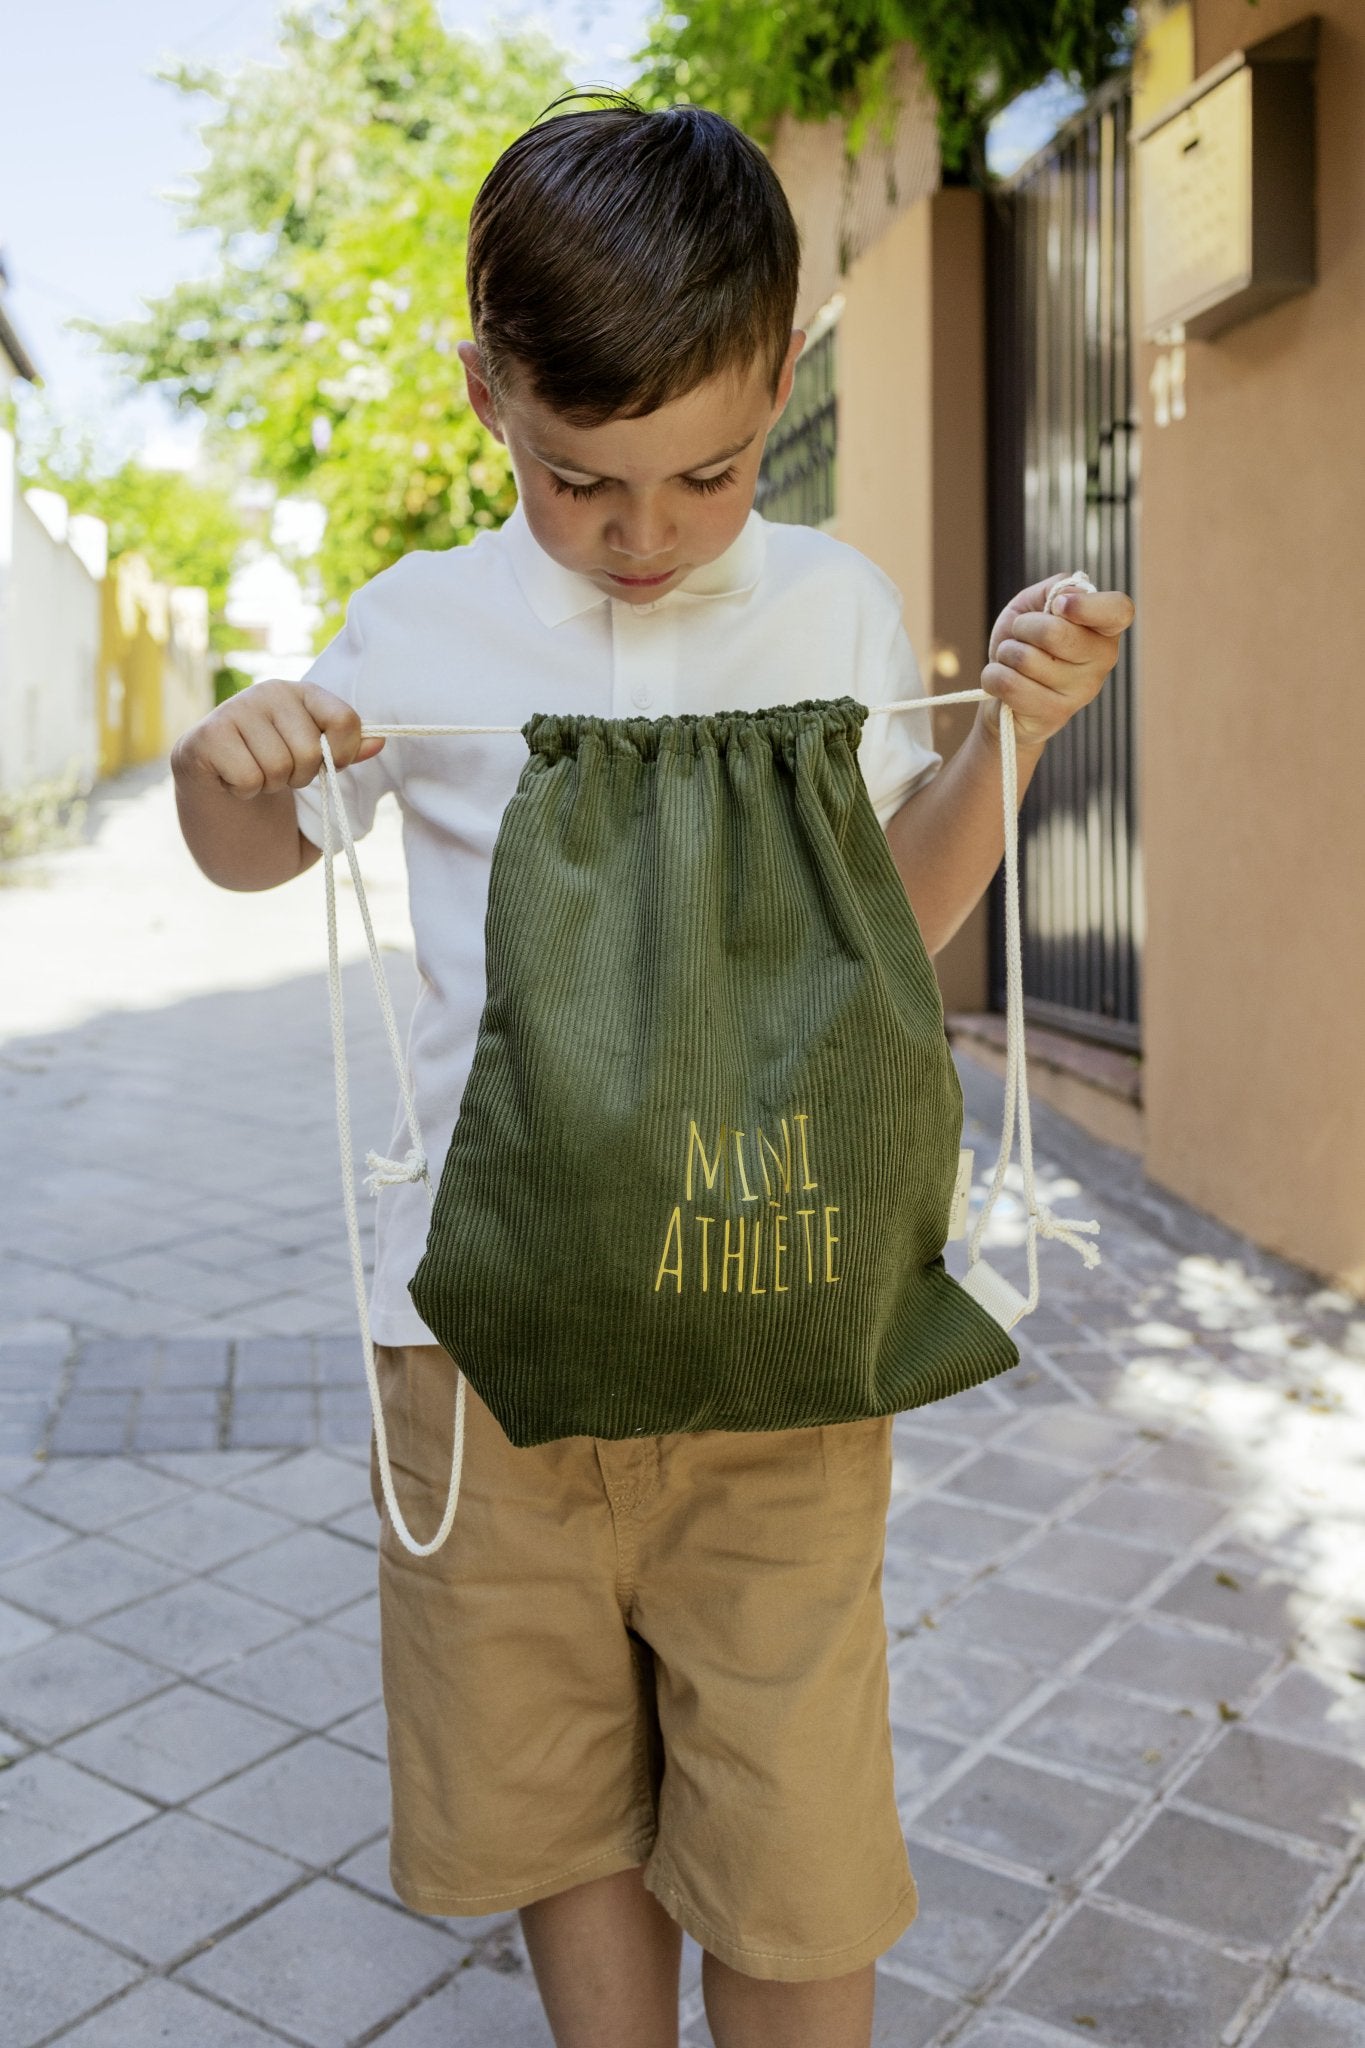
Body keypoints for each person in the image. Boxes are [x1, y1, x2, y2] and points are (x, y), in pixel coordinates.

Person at [171, 95, 1133, 2048]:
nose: (644, 534)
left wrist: (1007, 746)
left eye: (702, 476)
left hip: (775, 1321)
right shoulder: (419, 625)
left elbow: (896, 919)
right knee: (550, 1796)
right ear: (486, 399)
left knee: (790, 1825)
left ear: (778, 380)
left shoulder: (830, 608)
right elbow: (261, 858)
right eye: (577, 479)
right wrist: (225, 768)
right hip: (478, 1339)